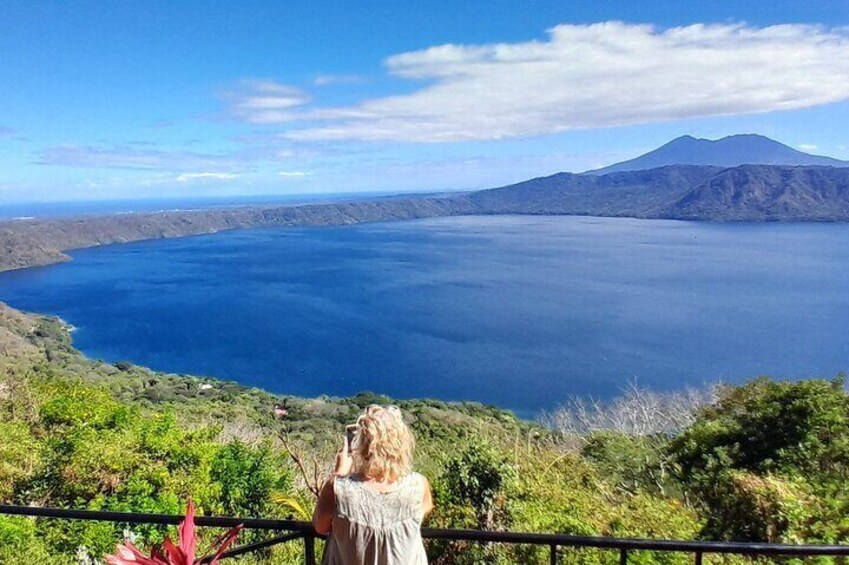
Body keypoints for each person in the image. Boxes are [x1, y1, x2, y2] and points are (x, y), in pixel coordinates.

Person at [312, 404, 434, 564]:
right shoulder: (418, 485)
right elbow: (425, 508)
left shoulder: (337, 489)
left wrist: (341, 473)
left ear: (360, 445)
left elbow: (320, 526)